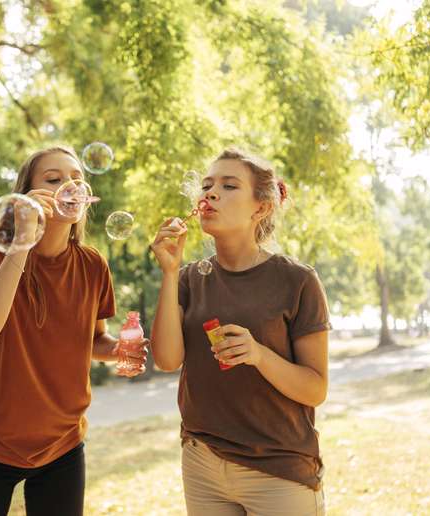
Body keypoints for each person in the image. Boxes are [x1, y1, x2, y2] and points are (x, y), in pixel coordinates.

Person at [0, 146, 148, 516]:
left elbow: (92, 340)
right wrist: (21, 242)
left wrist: (119, 348)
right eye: (53, 179)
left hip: (64, 446)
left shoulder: (92, 264)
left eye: (76, 178)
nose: (69, 185)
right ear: (27, 197)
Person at [150, 147, 330, 515]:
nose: (210, 193)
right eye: (207, 185)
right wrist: (169, 272)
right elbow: (167, 360)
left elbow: (315, 388)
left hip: (279, 469)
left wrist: (259, 354)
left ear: (260, 207)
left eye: (229, 186)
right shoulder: (187, 278)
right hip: (203, 462)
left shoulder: (297, 281)